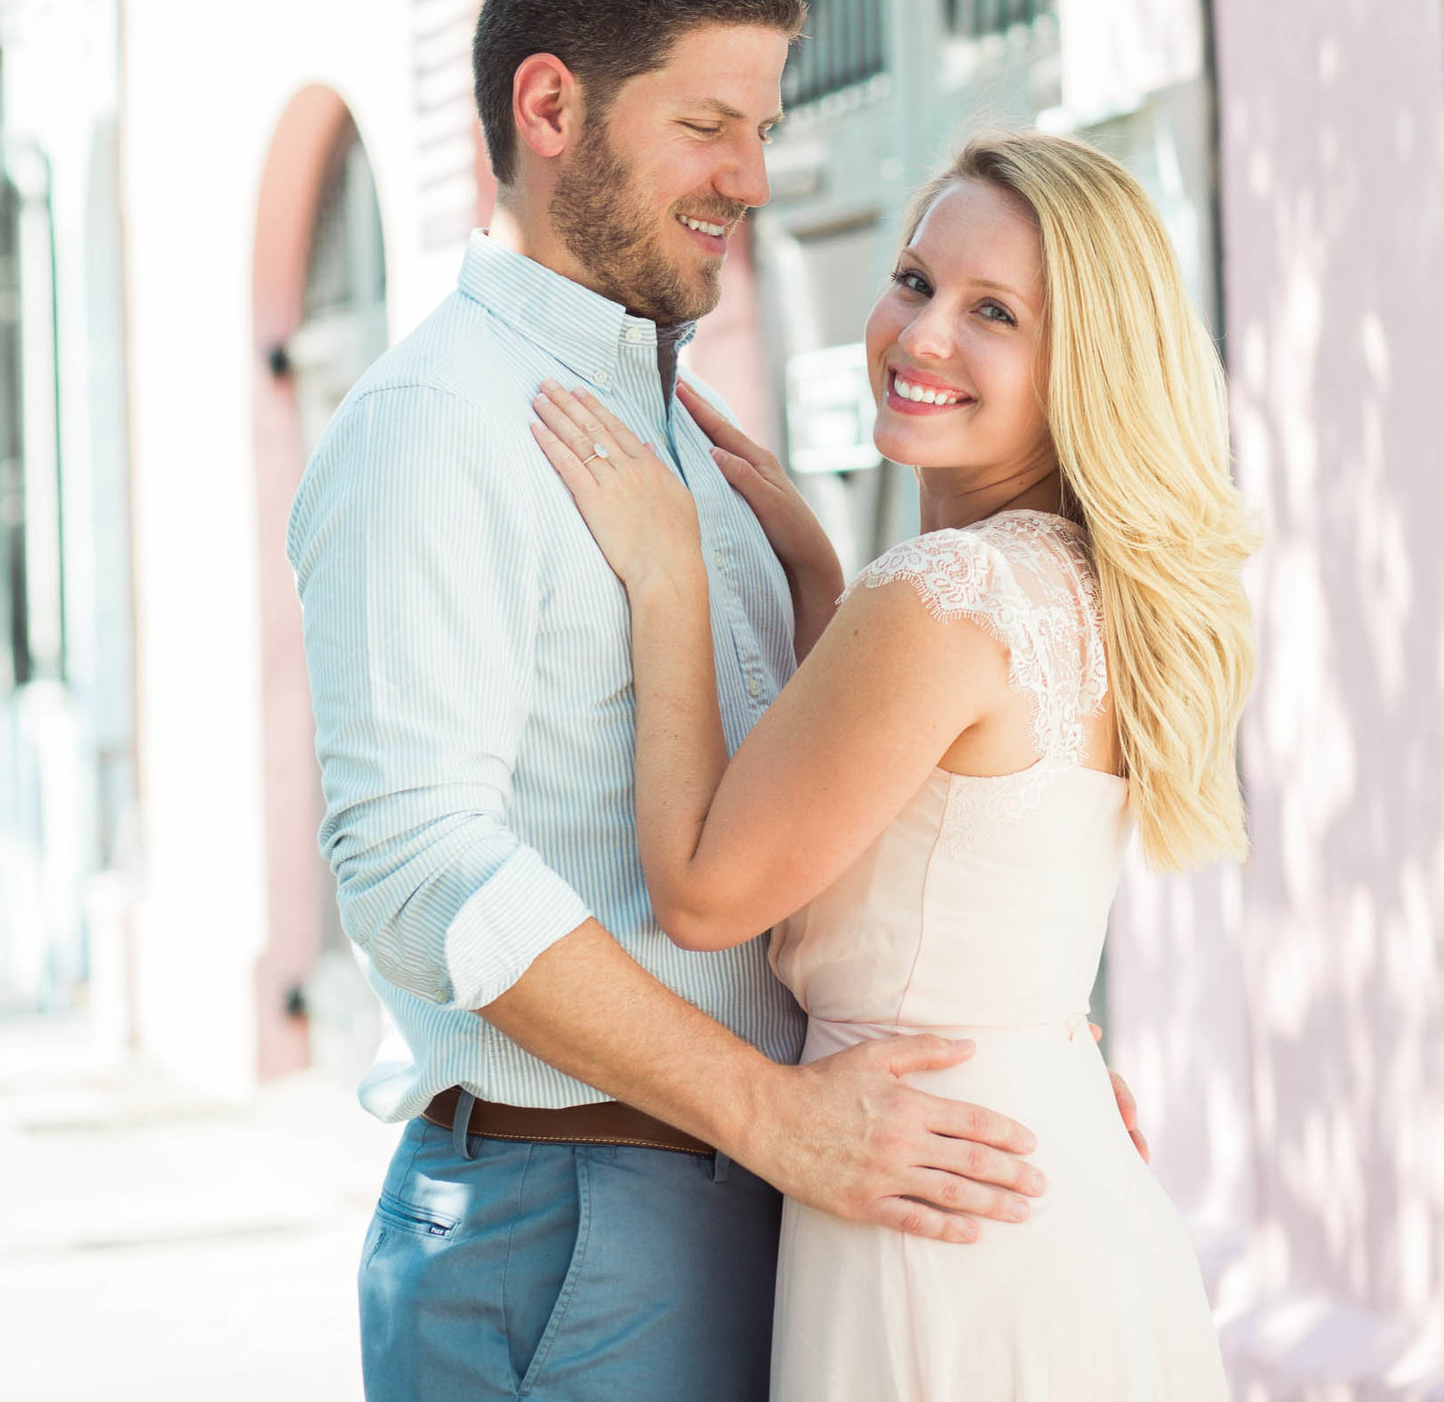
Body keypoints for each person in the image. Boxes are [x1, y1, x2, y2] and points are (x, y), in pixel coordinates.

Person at [290, 0, 1146, 1402]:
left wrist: (1010, 1028)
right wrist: (773, 1115)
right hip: (574, 1223)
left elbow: (824, 820)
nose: (751, 180)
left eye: (759, 129)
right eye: (708, 126)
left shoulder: (681, 435)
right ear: (551, 107)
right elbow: (421, 871)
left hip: (766, 1202)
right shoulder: (441, 423)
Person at [533, 128, 1256, 1399]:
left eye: (995, 314)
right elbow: (924, 836)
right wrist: (819, 580)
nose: (922, 337)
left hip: (932, 1216)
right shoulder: (1084, 584)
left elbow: (705, 892)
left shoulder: (946, 596)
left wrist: (668, 577)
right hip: (1056, 1175)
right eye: (916, 280)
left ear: (1080, 361)